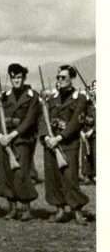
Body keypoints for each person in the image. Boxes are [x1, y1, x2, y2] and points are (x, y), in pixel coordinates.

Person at [42, 65, 89, 224]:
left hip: (68, 143)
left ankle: (77, 211)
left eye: (63, 77)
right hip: (51, 144)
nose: (60, 80)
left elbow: (76, 122)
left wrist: (60, 137)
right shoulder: (51, 98)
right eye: (58, 77)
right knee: (53, 178)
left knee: (70, 177)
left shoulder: (80, 98)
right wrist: (46, 138)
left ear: (72, 78)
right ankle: (59, 210)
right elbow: (43, 120)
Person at [0, 63, 40, 221]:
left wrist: (12, 135)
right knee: (7, 173)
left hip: (22, 140)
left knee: (21, 174)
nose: (17, 81)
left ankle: (26, 208)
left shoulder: (32, 96)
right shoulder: (4, 97)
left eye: (19, 77)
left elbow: (29, 120)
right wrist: (0, 134)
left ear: (24, 77)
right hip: (5, 140)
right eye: (14, 78)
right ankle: (12, 207)